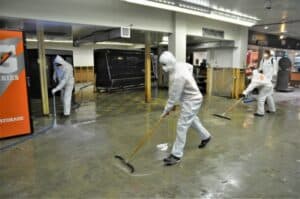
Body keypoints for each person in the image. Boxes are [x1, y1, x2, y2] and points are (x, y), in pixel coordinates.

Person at [159, 51, 211, 166]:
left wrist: (166, 110)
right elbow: (190, 66)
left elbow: (173, 97)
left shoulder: (178, 76)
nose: (163, 68)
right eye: (162, 65)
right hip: (190, 98)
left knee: (182, 125)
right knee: (192, 120)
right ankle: (206, 136)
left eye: (164, 65)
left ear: (170, 63)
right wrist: (189, 83)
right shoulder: (180, 65)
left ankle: (176, 155)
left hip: (192, 100)